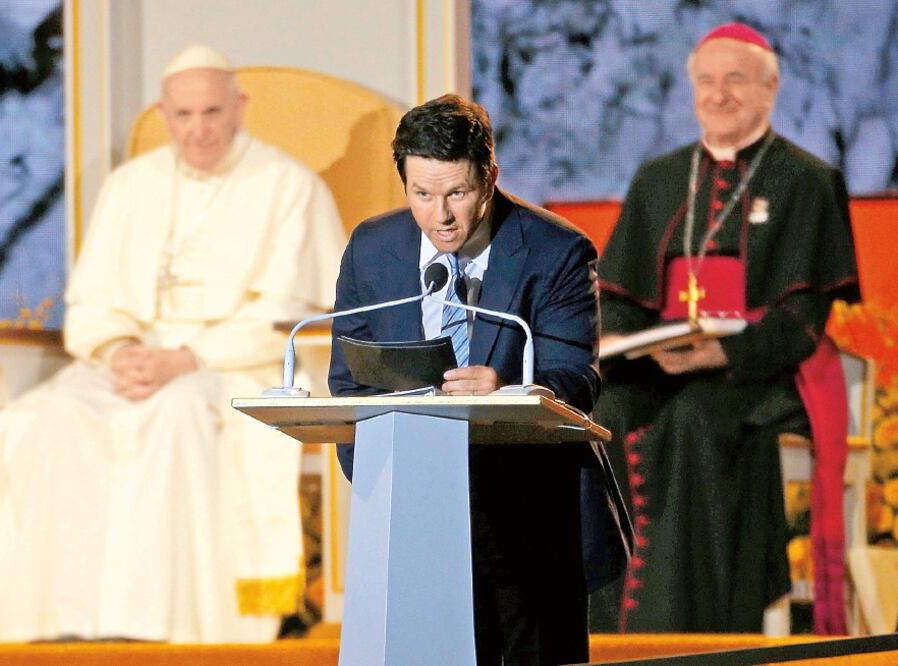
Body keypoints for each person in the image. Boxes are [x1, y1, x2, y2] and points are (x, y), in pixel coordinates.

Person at [0, 45, 346, 643]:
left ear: (239, 107)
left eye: (212, 112)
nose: (198, 130)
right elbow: (95, 302)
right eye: (183, 116)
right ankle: (63, 622)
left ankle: (176, 624)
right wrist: (120, 350)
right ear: (164, 114)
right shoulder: (131, 186)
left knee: (176, 416)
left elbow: (293, 313)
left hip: (236, 366)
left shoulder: (288, 187)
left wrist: (186, 359)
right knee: (52, 416)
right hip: (132, 361)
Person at [328, 94, 633, 666]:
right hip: (412, 516)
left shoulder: (554, 250)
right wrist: (386, 487)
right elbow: (350, 386)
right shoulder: (373, 250)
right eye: (421, 194)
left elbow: (577, 378)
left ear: (490, 177)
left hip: (526, 510)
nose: (439, 215)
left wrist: (508, 389)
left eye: (456, 194)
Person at [589, 23, 861, 634]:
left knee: (694, 421)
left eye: (736, 79)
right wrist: (630, 344)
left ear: (770, 88)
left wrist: (722, 353)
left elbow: (803, 320)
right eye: (706, 81)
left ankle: (695, 625)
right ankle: (604, 624)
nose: (719, 94)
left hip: (765, 375)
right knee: (601, 414)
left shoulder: (807, 181)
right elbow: (623, 295)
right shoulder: (659, 179)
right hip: (666, 366)